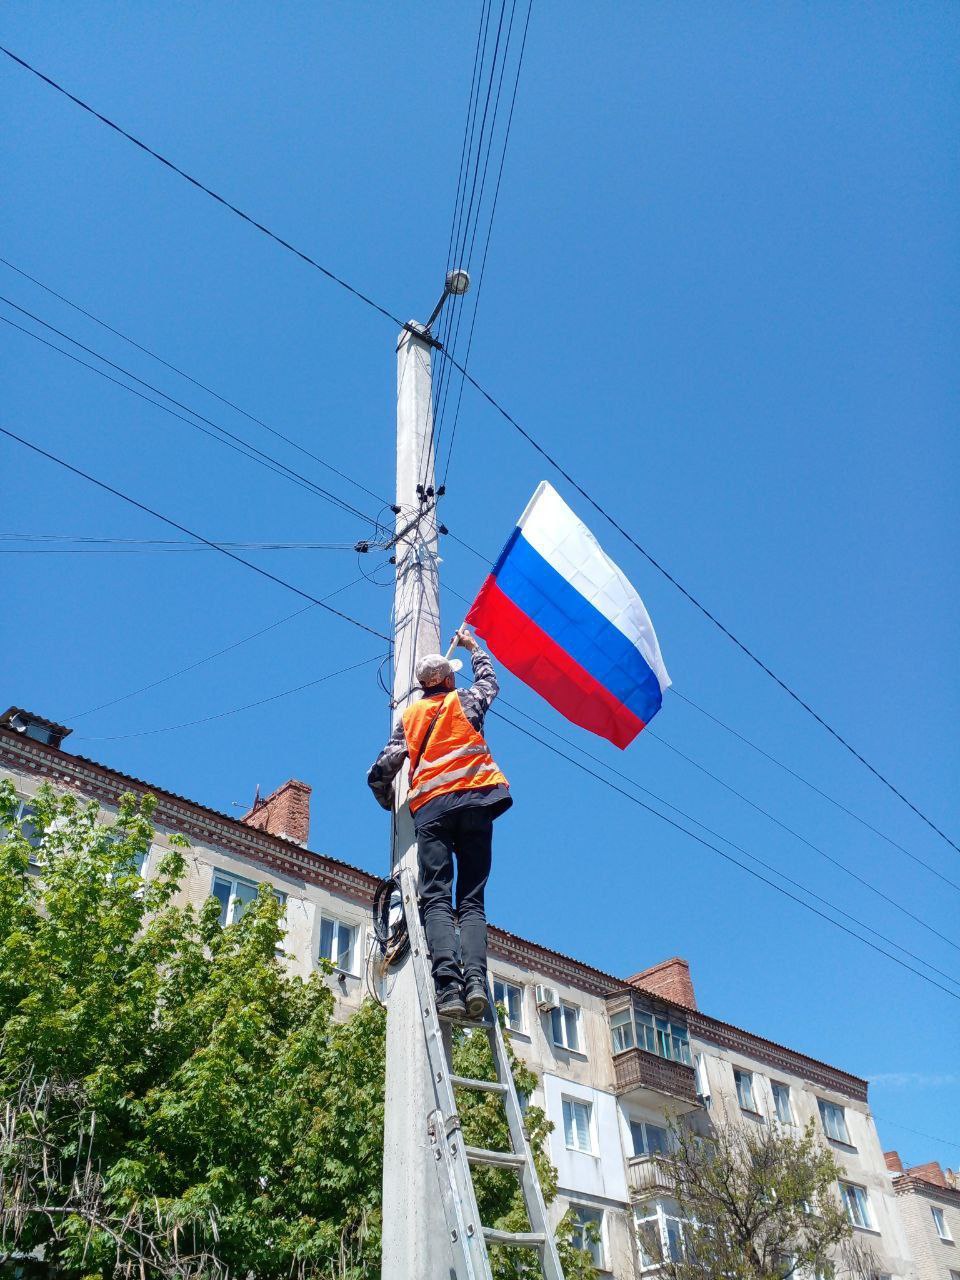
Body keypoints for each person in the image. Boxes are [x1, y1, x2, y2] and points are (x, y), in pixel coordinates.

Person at [367, 626, 511, 1019]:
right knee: (471, 900)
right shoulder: (466, 700)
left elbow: (381, 769)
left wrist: (387, 799)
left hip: (433, 811)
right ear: (448, 680)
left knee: (436, 898)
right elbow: (490, 682)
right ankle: (476, 982)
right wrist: (473, 646)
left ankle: (449, 988)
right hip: (477, 801)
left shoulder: (410, 717)